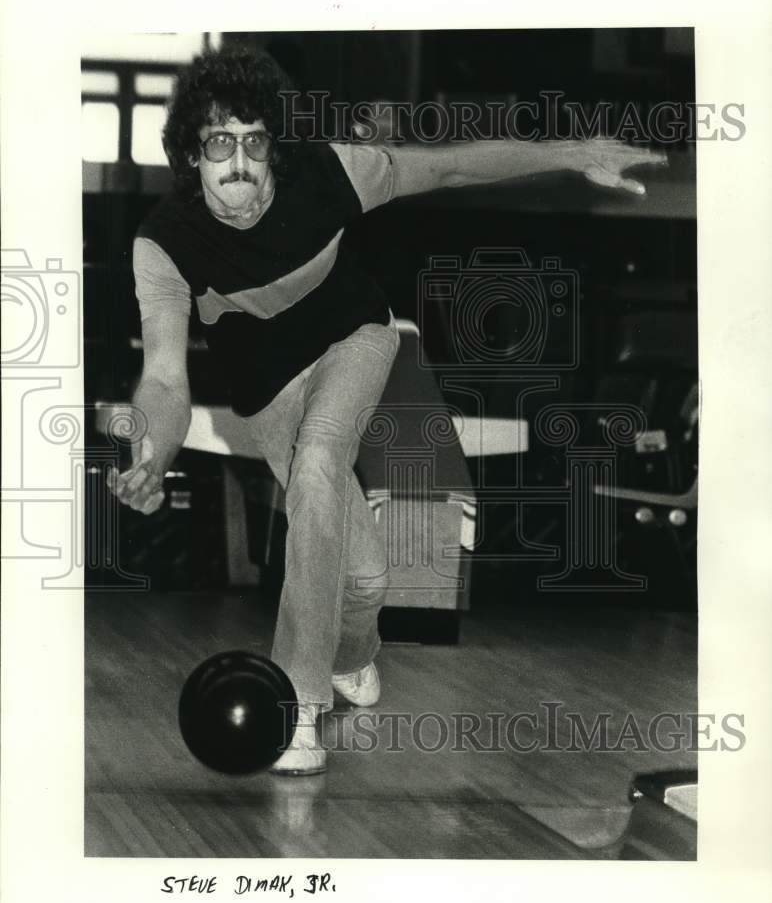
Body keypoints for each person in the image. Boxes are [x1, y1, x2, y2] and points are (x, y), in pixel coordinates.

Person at [107, 49, 666, 776]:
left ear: (274, 146)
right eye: (219, 144)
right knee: (365, 579)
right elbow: (163, 377)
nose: (239, 161)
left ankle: (297, 706)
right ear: (192, 157)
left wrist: (570, 153)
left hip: (356, 341)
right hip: (268, 390)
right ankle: (349, 655)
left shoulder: (333, 172)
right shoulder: (164, 243)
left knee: (315, 469)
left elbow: (452, 167)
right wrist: (151, 454)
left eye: (254, 141)